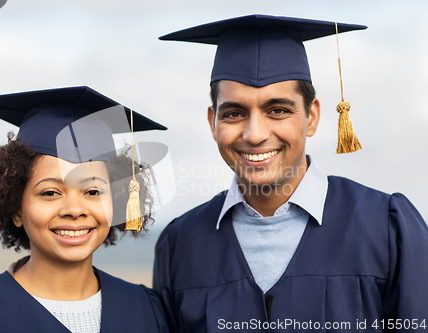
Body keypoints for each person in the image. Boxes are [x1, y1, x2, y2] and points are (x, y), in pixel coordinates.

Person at [153, 14, 428, 332]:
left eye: (277, 110)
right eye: (234, 113)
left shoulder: (386, 227)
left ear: (311, 117)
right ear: (213, 122)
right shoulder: (181, 243)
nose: (255, 134)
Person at [0, 86, 169, 333]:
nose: (74, 209)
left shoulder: (145, 310)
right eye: (50, 193)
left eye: (93, 192)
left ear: (118, 201)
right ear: (16, 208)